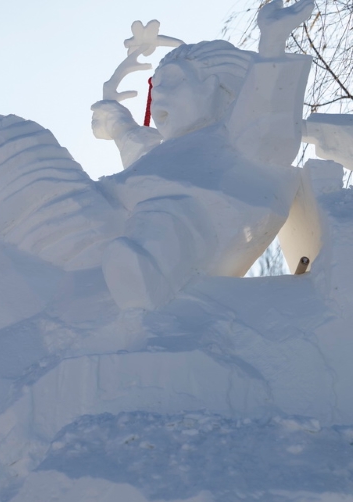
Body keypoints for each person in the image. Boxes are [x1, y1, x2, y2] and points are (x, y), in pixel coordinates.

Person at [91, 0, 315, 309]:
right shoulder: (167, 152)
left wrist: (272, 45)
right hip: (124, 210)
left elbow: (266, 118)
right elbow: (140, 152)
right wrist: (118, 125)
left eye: (171, 80)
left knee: (163, 222)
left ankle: (145, 276)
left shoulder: (234, 137)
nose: (158, 94)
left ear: (216, 88)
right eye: (156, 86)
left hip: (180, 220)